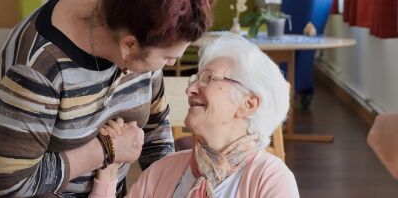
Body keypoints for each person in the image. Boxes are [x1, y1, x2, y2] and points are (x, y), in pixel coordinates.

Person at [0, 0, 215, 197]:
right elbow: (9, 185)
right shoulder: (38, 67)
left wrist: (170, 189)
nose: (170, 64)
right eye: (168, 58)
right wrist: (106, 150)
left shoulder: (145, 19)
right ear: (129, 45)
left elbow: (155, 130)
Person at [91, 33, 300, 198]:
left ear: (248, 103)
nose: (190, 90)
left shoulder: (270, 179)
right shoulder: (163, 170)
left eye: (209, 79)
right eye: (195, 79)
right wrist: (108, 174)